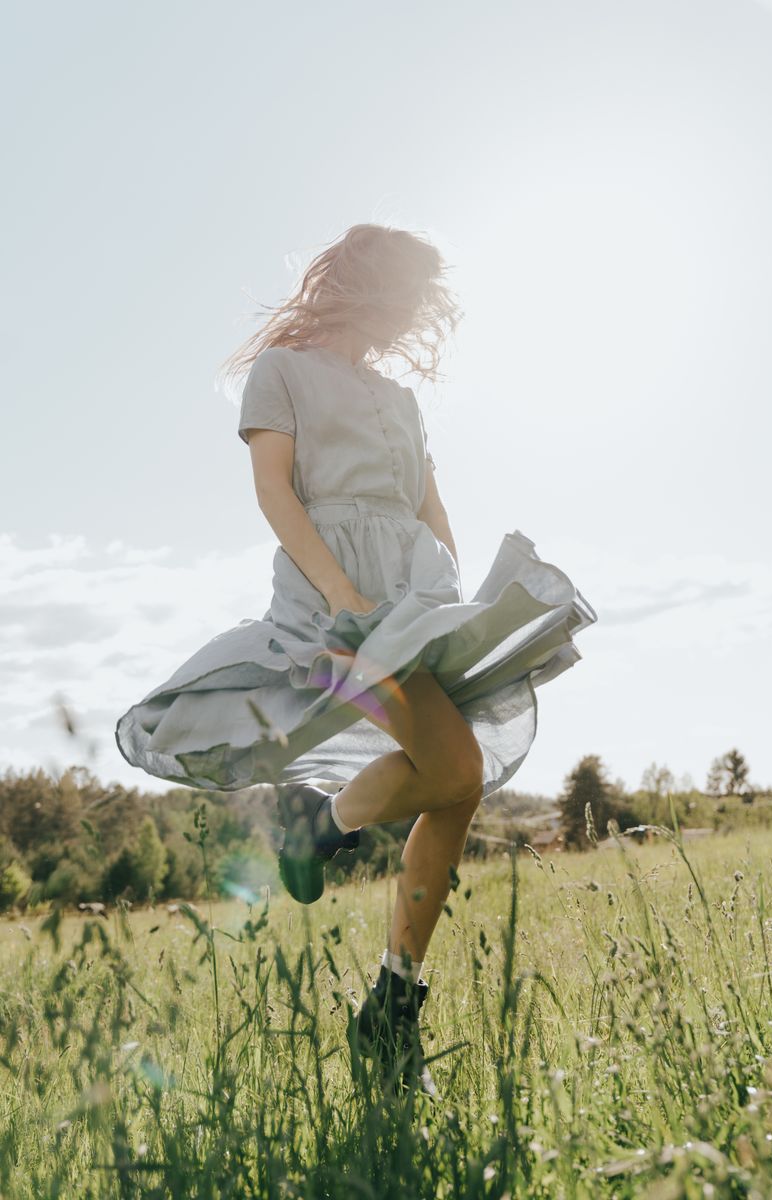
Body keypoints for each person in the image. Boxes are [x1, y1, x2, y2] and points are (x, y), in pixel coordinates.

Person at [115, 222, 598, 1100]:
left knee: (456, 781)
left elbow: (431, 509)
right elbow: (275, 493)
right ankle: (336, 865)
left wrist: (449, 601)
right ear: (369, 283)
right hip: (328, 603)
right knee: (454, 772)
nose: (418, 311)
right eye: (409, 291)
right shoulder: (283, 373)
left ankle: (389, 990)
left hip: (415, 599)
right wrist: (341, 596)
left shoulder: (402, 401)